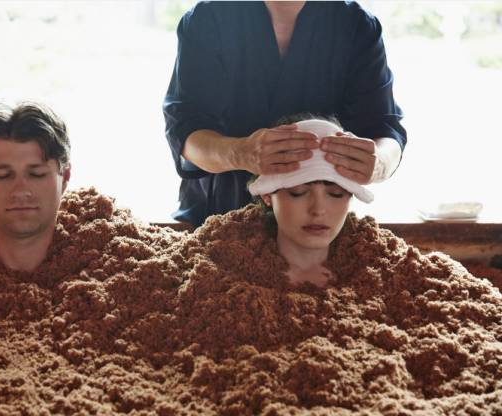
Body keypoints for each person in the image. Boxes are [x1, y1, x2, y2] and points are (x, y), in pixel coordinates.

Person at [163, 1, 406, 226]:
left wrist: (379, 163)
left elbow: (384, 129)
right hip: (217, 217)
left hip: (319, 226)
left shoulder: (357, 25)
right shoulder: (208, 18)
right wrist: (240, 153)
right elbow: (186, 131)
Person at [248, 116, 373, 288]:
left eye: (336, 194)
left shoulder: (386, 275)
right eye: (298, 192)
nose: (318, 210)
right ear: (267, 195)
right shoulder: (224, 275)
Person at [0, 101, 71, 272]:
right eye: (3, 176)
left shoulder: (120, 269)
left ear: (65, 177)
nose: (20, 191)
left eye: (37, 174)